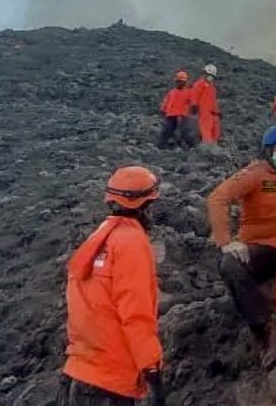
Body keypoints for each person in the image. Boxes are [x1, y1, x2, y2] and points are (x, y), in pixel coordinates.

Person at [60, 165, 167, 406]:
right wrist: (152, 371)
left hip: (81, 373)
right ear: (147, 205)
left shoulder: (99, 238)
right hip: (111, 382)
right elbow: (136, 315)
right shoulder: (132, 244)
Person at [206, 125, 276, 361]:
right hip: (262, 248)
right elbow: (217, 198)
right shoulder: (255, 174)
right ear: (269, 150)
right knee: (230, 265)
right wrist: (225, 241)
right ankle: (264, 329)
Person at [156, 71, 193, 149]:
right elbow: (166, 102)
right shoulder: (172, 92)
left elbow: (192, 103)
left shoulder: (189, 92)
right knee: (166, 131)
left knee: (184, 132)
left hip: (183, 116)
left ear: (185, 82)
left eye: (182, 81)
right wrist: (163, 110)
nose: (179, 83)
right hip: (171, 115)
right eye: (178, 81)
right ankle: (162, 146)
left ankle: (189, 146)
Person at [189, 64, 222, 144]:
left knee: (215, 131)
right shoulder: (199, 84)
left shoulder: (212, 88)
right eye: (209, 75)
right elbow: (195, 95)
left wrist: (218, 112)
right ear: (205, 74)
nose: (211, 78)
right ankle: (207, 148)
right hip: (205, 112)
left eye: (212, 76)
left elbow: (213, 101)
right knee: (206, 130)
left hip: (213, 114)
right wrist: (194, 105)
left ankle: (214, 147)